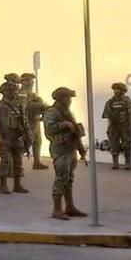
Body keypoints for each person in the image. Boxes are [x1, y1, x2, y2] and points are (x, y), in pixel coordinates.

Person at [43, 87, 88, 220]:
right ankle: (57, 209)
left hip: (70, 148)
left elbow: (75, 132)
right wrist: (64, 124)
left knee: (69, 179)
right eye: (67, 98)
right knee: (61, 179)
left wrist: (80, 149)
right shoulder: (52, 112)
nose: (69, 100)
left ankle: (70, 206)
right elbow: (49, 130)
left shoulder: (67, 111)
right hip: (60, 149)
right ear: (60, 98)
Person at [0, 81, 29, 195]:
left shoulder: (18, 105)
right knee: (5, 161)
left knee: (18, 162)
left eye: (14, 91)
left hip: (17, 138)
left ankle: (17, 185)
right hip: (5, 138)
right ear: (5, 92)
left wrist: (27, 135)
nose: (14, 93)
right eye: (11, 91)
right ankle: (3, 185)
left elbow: (24, 121)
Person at [103, 82, 131, 170]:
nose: (116, 91)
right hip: (114, 126)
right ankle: (115, 163)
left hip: (125, 126)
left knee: (126, 144)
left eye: (118, 89)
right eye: (115, 89)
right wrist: (111, 118)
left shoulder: (127, 101)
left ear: (123, 91)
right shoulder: (110, 102)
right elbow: (106, 114)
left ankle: (127, 163)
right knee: (114, 144)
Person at [19, 72, 48, 170]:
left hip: (35, 121)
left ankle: (37, 162)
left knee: (37, 142)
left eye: (32, 80)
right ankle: (15, 164)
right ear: (24, 82)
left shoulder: (32, 94)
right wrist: (38, 105)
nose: (32, 82)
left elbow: (39, 102)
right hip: (27, 121)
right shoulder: (22, 93)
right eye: (30, 80)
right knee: (25, 144)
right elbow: (24, 107)